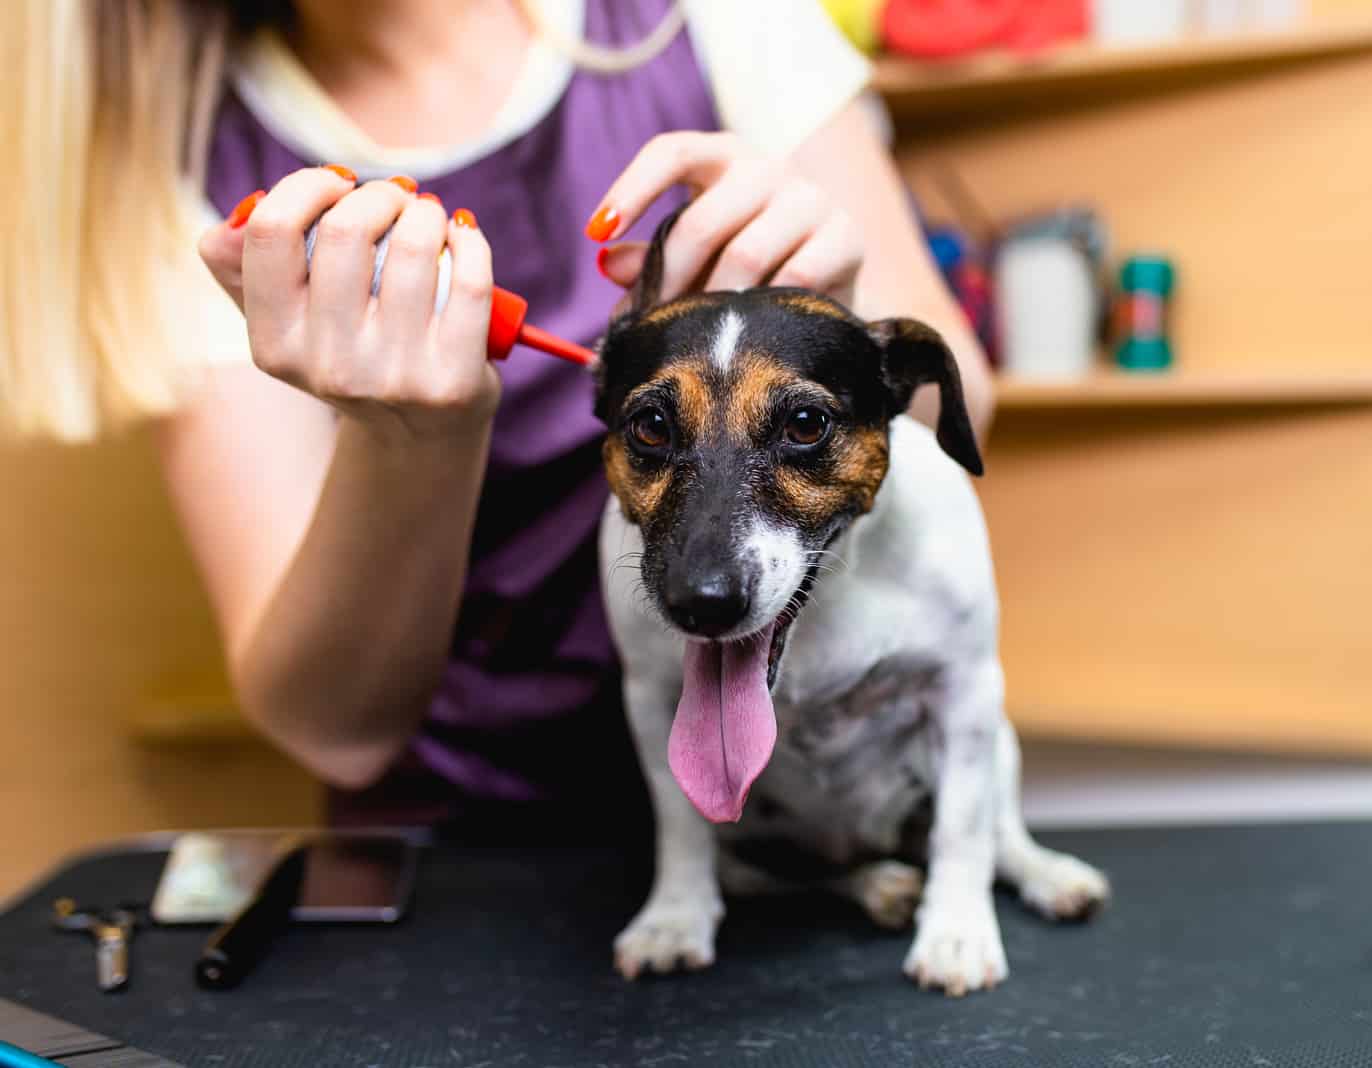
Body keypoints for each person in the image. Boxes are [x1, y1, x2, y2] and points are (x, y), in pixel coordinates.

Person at [7, 0, 993, 842]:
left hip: (814, 816)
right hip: (473, 859)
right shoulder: (184, 166)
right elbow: (336, 730)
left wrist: (837, 331)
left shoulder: (713, 17)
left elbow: (965, 414)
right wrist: (412, 441)